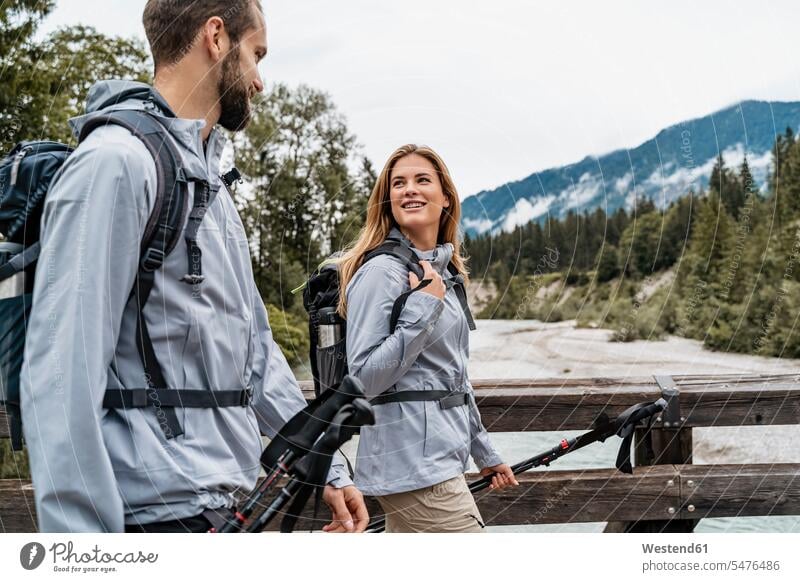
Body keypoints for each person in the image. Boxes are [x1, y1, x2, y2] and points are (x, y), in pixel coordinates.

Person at [21, 0, 367, 533]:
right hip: (153, 518)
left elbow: (253, 352)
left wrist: (327, 465)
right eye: (257, 54)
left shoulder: (213, 187)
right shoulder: (115, 162)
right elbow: (60, 373)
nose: (260, 81)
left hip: (221, 506)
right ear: (216, 37)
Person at [336, 144, 519, 533]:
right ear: (388, 202)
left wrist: (482, 451)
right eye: (399, 183)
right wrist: (420, 311)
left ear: (446, 197)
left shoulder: (442, 274)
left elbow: (452, 380)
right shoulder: (381, 272)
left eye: (422, 180)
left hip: (438, 462)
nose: (409, 190)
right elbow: (362, 379)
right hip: (415, 469)